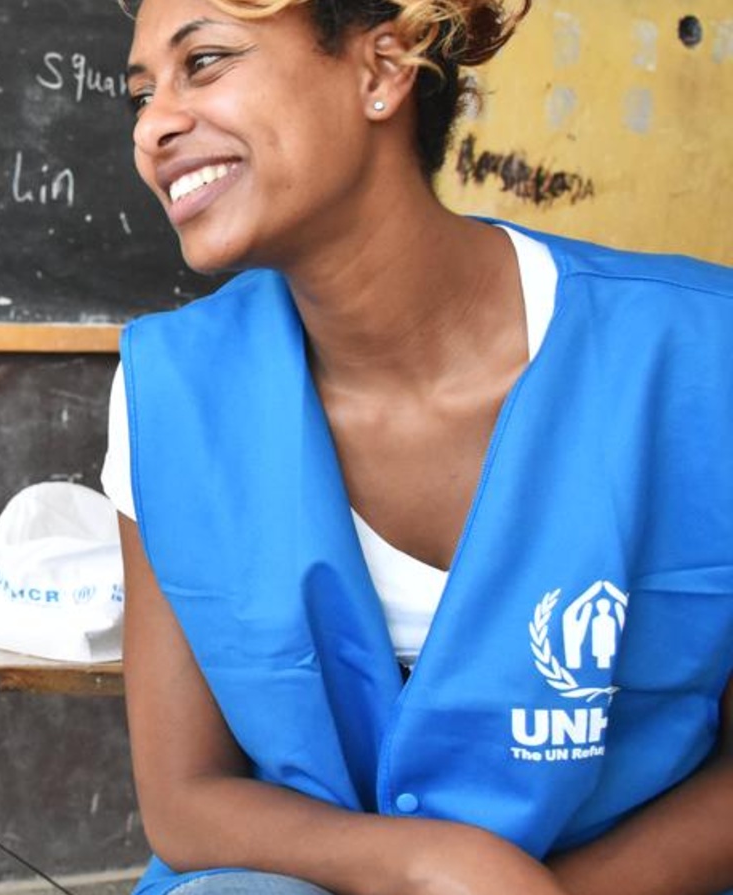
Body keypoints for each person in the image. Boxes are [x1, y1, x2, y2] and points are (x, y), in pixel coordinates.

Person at [105, 1, 733, 893]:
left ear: (382, 70)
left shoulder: (703, 356)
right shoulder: (170, 392)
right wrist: (432, 864)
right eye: (141, 96)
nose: (153, 127)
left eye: (203, 62)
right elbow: (185, 797)